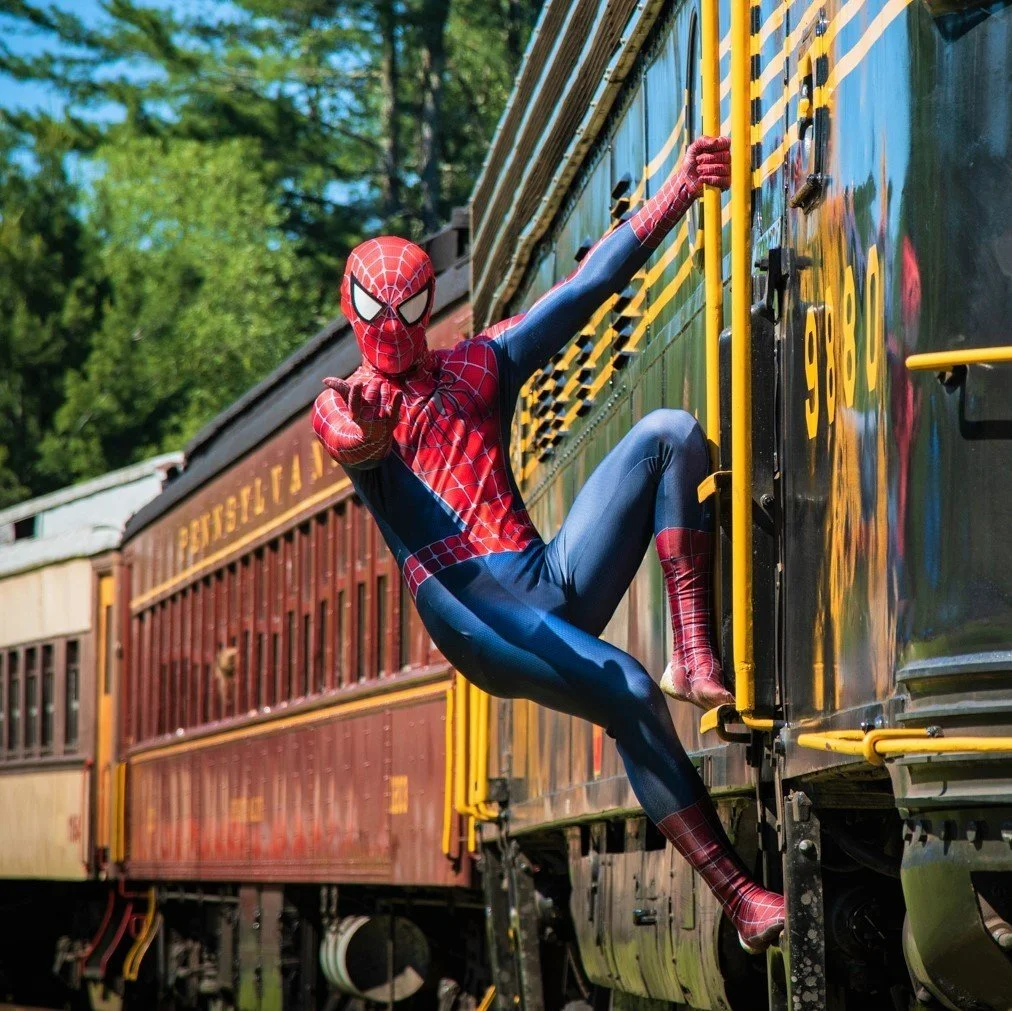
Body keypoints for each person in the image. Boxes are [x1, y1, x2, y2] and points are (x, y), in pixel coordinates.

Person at [312, 134, 784, 952]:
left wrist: (678, 188)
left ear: (427, 307)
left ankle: (694, 648)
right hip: (471, 606)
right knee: (625, 689)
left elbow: (586, 286)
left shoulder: (480, 364)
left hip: (541, 574)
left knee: (670, 435)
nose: (392, 324)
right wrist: (371, 433)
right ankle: (740, 899)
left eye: (406, 306)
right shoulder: (342, 401)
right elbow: (354, 439)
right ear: (354, 308)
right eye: (378, 307)